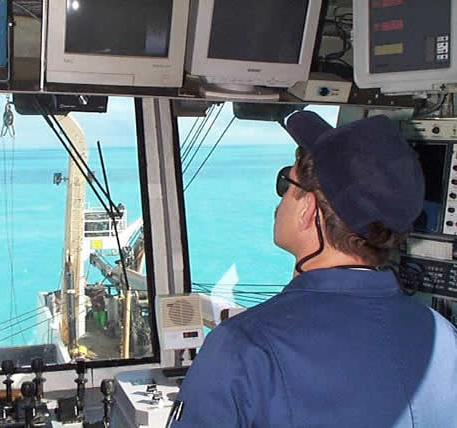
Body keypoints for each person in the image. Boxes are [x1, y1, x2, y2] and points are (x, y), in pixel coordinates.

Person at [168, 111, 457, 427]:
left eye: (285, 183)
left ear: (308, 209)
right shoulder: (445, 338)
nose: (279, 200)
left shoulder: (244, 346)